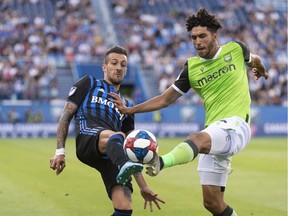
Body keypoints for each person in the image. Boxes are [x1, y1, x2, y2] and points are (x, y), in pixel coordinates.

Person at [110, 8, 268, 216]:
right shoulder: (191, 68)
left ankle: (161, 161)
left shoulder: (236, 49)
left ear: (214, 36)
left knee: (197, 139)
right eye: (193, 37)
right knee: (212, 202)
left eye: (202, 36)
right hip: (214, 131)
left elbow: (254, 59)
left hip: (236, 126)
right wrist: (130, 109)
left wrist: (261, 70)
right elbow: (165, 99)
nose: (197, 41)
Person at [49, 45, 164, 216]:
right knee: (116, 136)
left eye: (123, 65)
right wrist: (60, 152)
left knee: (124, 209)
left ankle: (123, 168)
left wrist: (144, 186)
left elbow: (129, 149)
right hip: (88, 139)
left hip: (113, 153)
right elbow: (66, 116)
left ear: (126, 70)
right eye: (114, 63)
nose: (118, 67)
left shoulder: (128, 106)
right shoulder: (88, 83)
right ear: (104, 67)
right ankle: (123, 165)